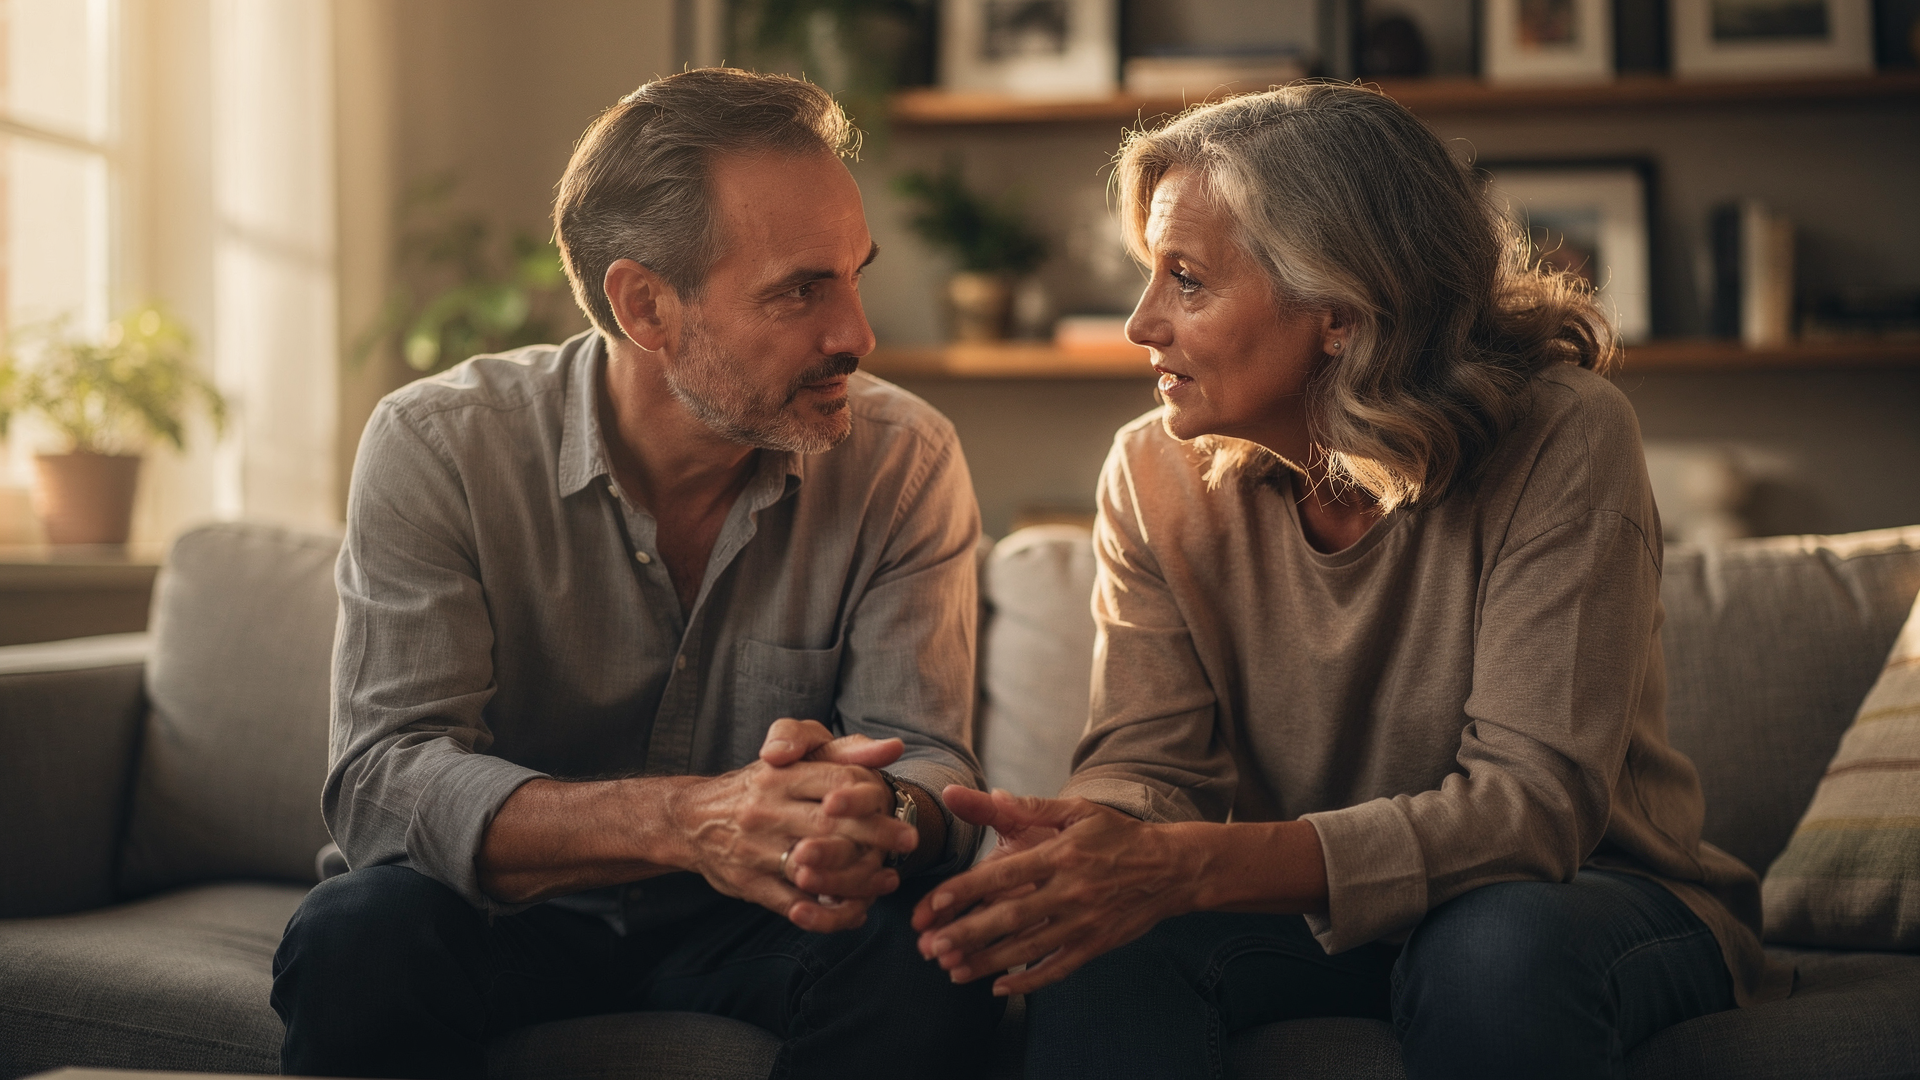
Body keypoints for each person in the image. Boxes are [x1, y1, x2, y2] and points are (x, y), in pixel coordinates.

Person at [911, 82, 1789, 1080]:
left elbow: (1531, 808)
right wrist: (1093, 839)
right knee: (1096, 946)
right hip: (1321, 908)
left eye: (1187, 280)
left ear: (1338, 306)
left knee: (1493, 947)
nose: (1140, 323)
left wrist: (1187, 865)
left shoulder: (1566, 433)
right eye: (1149, 275)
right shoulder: (1151, 471)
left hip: (1587, 892)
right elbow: (1150, 761)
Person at [271, 68, 999, 1080]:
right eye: (800, 289)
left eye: (854, 274)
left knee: (931, 957)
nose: (857, 335)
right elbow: (386, 778)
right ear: (646, 305)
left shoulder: (903, 457)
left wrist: (869, 815)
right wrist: (688, 820)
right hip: (508, 915)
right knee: (358, 933)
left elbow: (929, 759)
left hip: (760, 918)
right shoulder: (440, 444)